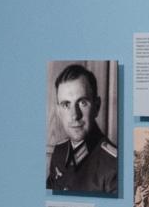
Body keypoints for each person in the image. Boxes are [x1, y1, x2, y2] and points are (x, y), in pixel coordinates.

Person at [46, 62, 119, 194]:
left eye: (82, 102)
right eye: (66, 104)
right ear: (58, 111)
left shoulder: (115, 165)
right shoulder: (59, 152)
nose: (75, 115)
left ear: (97, 107)